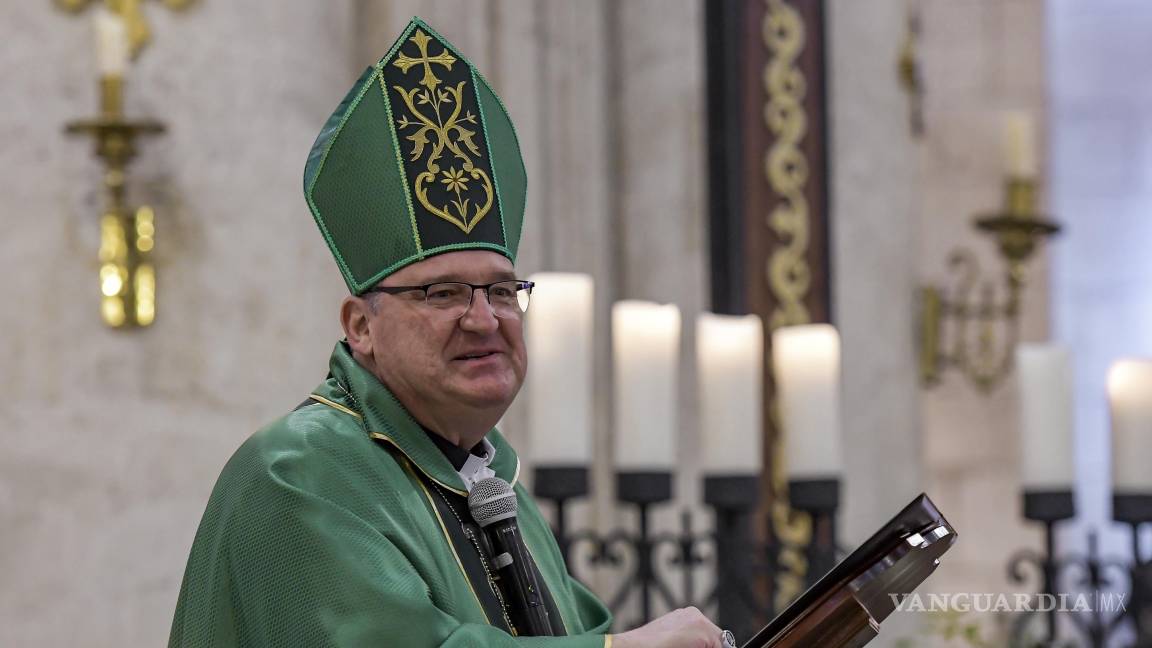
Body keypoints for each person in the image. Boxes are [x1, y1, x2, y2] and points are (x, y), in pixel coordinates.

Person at [169, 17, 730, 648]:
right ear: (361, 327)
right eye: (442, 292)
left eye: (501, 290)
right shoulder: (300, 472)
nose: (484, 318)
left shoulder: (488, 484)